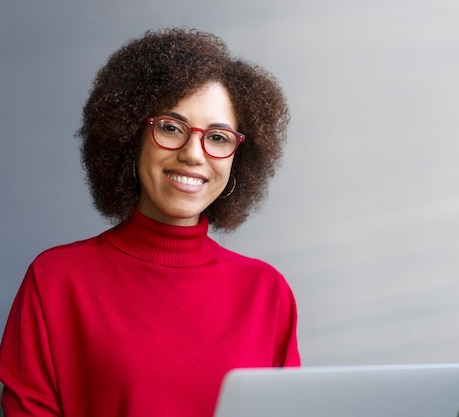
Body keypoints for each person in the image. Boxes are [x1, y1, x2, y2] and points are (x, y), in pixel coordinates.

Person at [0, 28, 300, 416]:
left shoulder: (267, 294)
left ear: (237, 158)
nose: (194, 154)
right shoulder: (55, 281)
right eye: (171, 128)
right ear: (130, 136)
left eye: (219, 137)